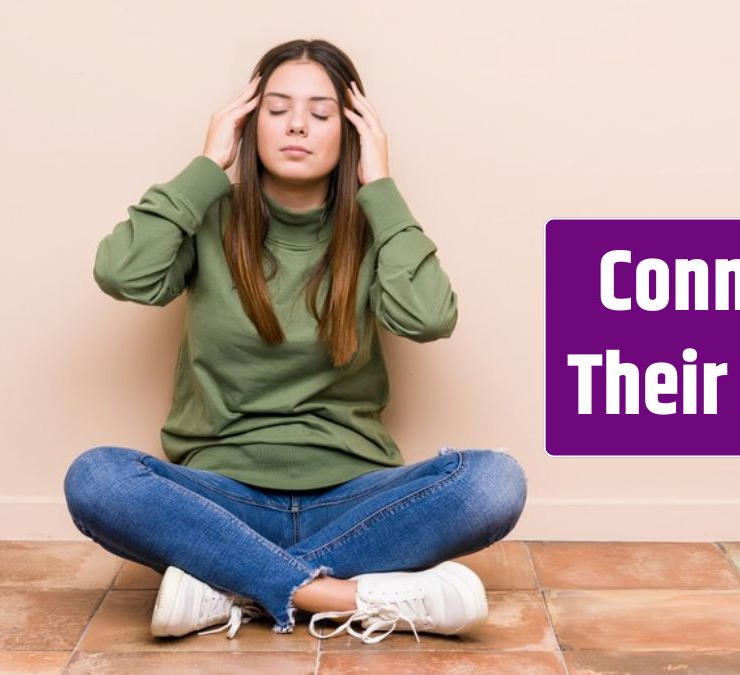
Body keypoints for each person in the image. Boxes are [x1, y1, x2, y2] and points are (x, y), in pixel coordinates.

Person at [63, 38, 528, 643]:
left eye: (322, 112)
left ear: (351, 132)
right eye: (277, 109)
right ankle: (338, 595)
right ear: (248, 124)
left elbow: (429, 317)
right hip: (222, 497)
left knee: (495, 482)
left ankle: (233, 582)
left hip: (356, 498)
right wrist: (207, 165)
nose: (298, 125)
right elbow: (123, 273)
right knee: (96, 477)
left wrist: (380, 184)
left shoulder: (372, 229)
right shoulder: (209, 216)